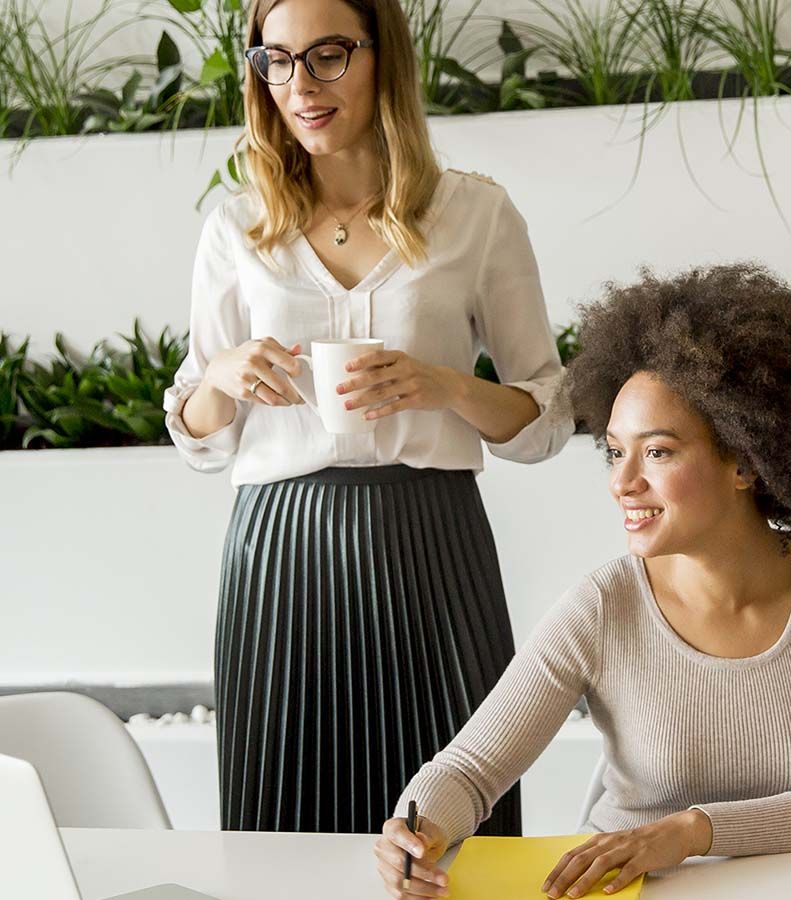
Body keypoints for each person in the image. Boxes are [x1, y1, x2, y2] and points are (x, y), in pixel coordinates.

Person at [162, 0, 572, 834]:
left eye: (327, 56)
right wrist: (226, 377)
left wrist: (446, 387)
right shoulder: (236, 226)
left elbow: (547, 412)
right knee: (286, 821)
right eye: (274, 60)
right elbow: (198, 432)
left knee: (455, 830)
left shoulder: (476, 214)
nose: (300, 86)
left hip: (433, 541)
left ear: (385, 56)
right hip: (281, 551)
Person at [372, 263, 791, 899]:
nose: (622, 482)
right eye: (614, 450)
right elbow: (470, 769)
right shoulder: (603, 604)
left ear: (745, 460)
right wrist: (415, 830)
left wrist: (686, 833)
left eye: (657, 452)